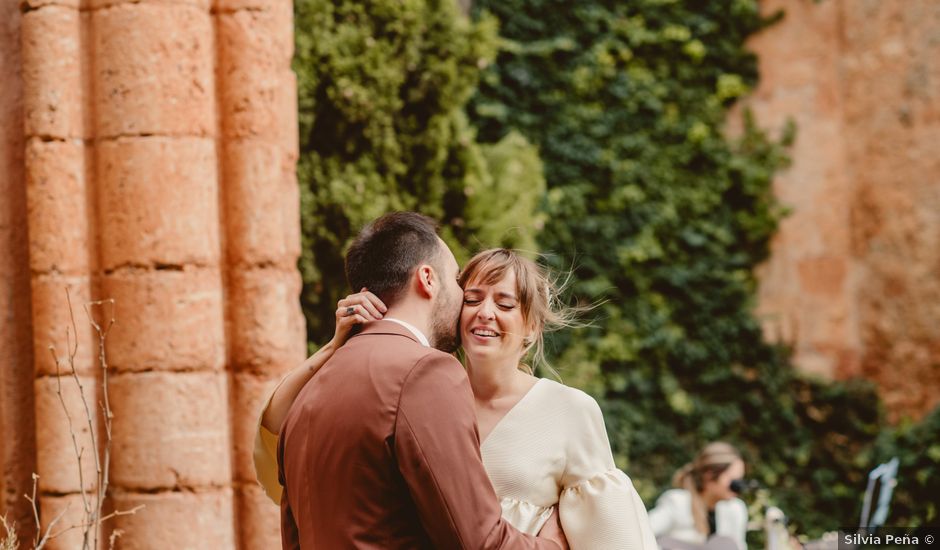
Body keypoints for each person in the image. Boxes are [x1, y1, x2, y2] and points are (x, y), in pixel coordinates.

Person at [258, 242, 658, 549]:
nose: (485, 312)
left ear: (532, 327)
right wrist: (334, 348)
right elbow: (276, 452)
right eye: (472, 299)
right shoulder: (419, 396)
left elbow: (615, 535)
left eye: (504, 304)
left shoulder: (569, 411)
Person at [274, 212, 565, 549]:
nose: (464, 300)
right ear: (428, 279)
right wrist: (553, 546)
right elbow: (476, 540)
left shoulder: (306, 394)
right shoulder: (425, 373)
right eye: (458, 282)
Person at [647, 442, 748, 550]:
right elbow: (640, 534)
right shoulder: (677, 502)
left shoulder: (736, 510)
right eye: (733, 480)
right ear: (709, 475)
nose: (737, 486)